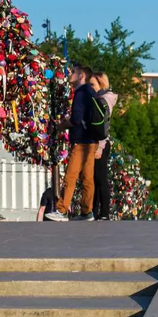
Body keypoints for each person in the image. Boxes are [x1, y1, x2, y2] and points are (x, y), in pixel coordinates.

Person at [57, 64, 98, 220]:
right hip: (92, 140)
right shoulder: (92, 92)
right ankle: (87, 212)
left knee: (71, 176)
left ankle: (61, 210)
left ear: (81, 76)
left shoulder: (80, 93)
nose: (70, 74)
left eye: (73, 72)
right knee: (88, 179)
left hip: (81, 141)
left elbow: (76, 120)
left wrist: (62, 125)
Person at [91, 71, 118, 221]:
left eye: (93, 84)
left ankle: (104, 213)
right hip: (99, 143)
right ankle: (95, 211)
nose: (91, 87)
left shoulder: (103, 100)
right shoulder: (100, 99)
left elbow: (104, 127)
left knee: (100, 178)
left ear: (101, 84)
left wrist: (100, 147)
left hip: (101, 144)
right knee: (95, 178)